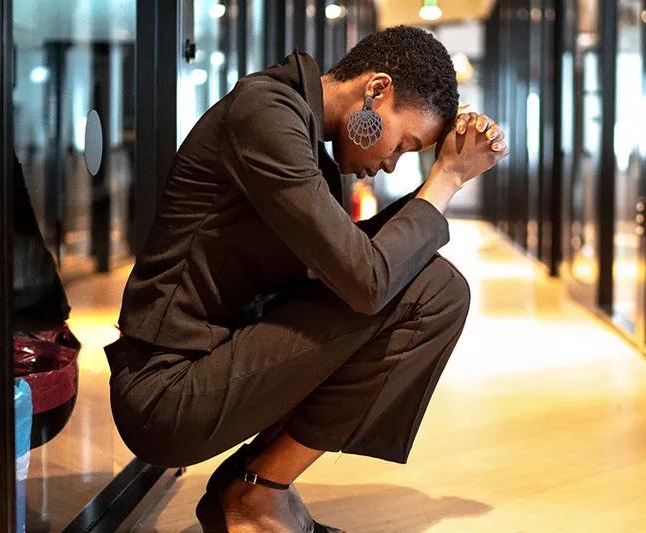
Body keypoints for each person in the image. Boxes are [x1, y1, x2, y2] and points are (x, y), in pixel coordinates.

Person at [104, 25, 508, 532]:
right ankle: (254, 496)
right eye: (403, 145)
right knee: (429, 292)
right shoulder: (266, 116)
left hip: (218, 361)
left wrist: (450, 166)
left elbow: (355, 266)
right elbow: (367, 280)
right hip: (167, 391)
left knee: (436, 287)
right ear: (376, 90)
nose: (390, 164)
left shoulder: (304, 135)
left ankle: (258, 486)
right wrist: (446, 178)